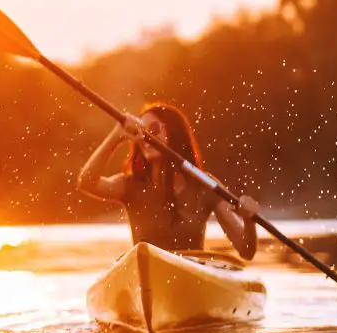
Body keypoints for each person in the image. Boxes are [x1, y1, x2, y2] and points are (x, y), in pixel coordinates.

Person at [77, 101, 260, 259]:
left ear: (174, 132)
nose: (147, 138)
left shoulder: (205, 186)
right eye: (142, 131)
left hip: (189, 280)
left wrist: (249, 221)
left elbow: (246, 250)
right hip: (148, 279)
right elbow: (86, 182)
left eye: (154, 129)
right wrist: (116, 136)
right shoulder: (131, 185)